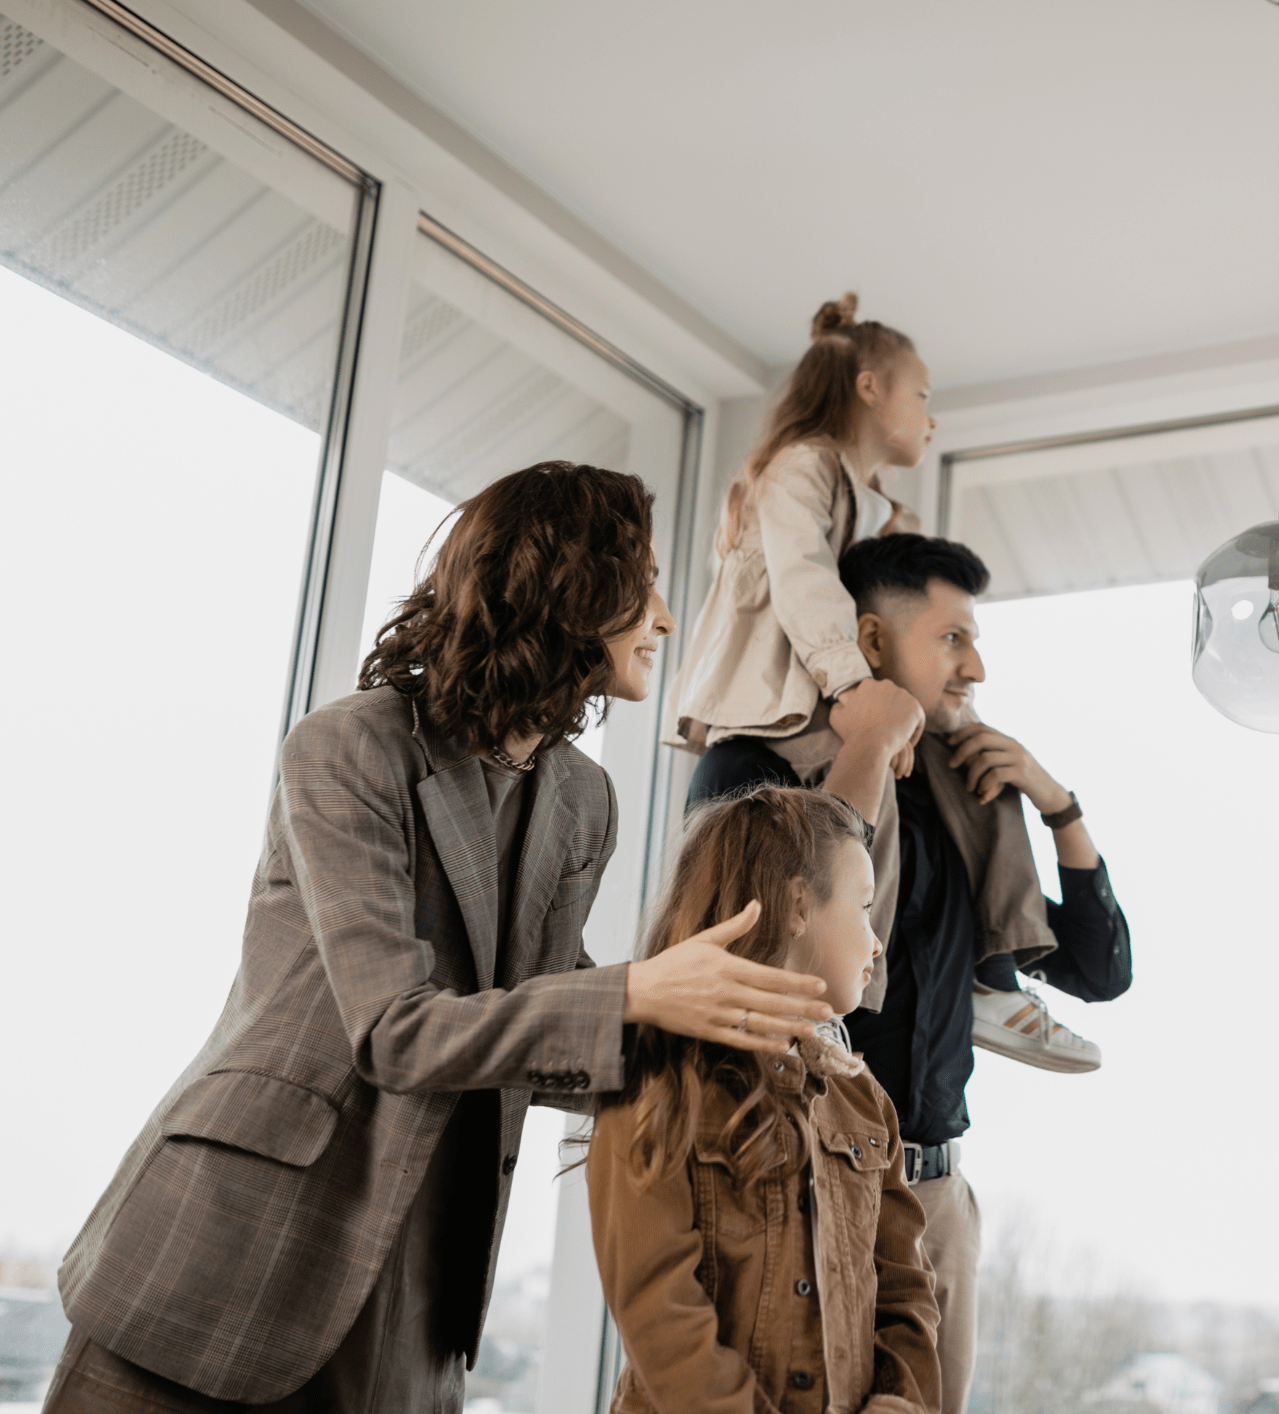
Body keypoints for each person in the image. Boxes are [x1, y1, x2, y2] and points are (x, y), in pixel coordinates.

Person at [45, 463, 835, 1414]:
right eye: (647, 582)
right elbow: (394, 1030)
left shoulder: (584, 799)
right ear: (570, 587)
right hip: (228, 1247)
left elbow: (537, 1031)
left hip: (423, 1279)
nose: (666, 617)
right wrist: (634, 994)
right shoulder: (348, 748)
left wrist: (722, 1025)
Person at [687, 532, 1134, 1414]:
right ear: (874, 642)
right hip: (799, 1188)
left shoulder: (966, 794)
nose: (977, 666)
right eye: (953, 637)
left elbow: (1099, 970)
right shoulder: (759, 768)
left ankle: (992, 996)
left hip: (935, 1194)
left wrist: (1057, 804)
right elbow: (763, 952)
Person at [660, 294, 1100, 1068]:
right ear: (869, 388)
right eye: (923, 395)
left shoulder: (877, 506)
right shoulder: (801, 469)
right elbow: (804, 584)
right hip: (784, 705)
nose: (933, 418)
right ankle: (857, 996)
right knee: (866, 828)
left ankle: (993, 981)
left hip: (837, 697)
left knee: (971, 759)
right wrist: (857, 689)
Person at [586, 786, 940, 1414]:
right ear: (799, 904)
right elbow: (660, 1311)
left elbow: (906, 1291)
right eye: (863, 906)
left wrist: (900, 1402)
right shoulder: (658, 1082)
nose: (877, 941)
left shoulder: (864, 1100)